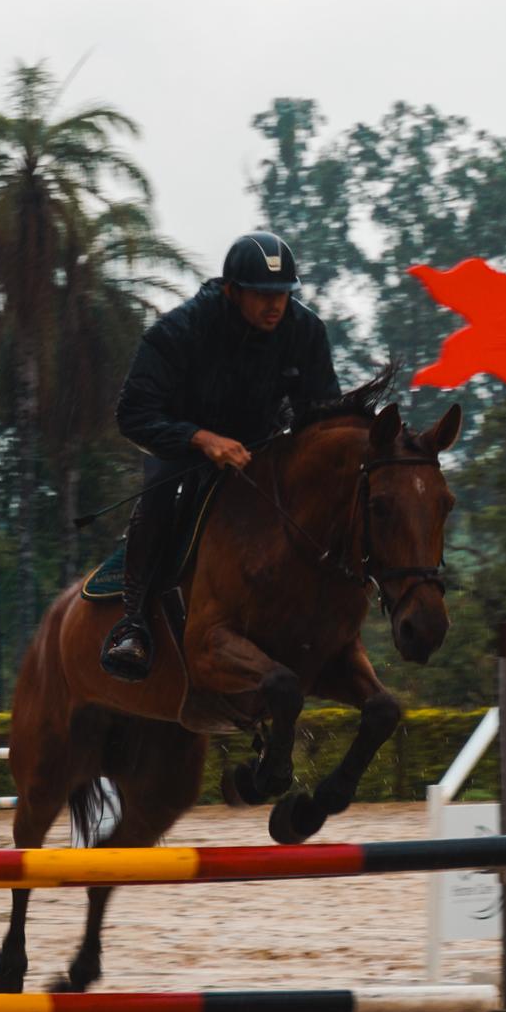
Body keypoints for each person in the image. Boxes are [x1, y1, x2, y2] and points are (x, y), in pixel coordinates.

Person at [100, 231, 341, 680]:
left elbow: (322, 413)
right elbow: (133, 414)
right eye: (262, 294)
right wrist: (201, 439)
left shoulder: (305, 331)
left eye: (283, 294)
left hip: (261, 446)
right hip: (182, 444)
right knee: (159, 493)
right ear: (231, 291)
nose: (275, 305)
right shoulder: (178, 331)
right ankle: (133, 624)